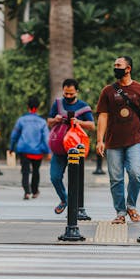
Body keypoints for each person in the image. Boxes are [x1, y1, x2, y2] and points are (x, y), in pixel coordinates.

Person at [96, 56, 140, 224]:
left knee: (136, 173)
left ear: (128, 69)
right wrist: (100, 140)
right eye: (114, 65)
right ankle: (120, 212)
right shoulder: (107, 91)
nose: (116, 68)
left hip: (135, 140)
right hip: (113, 142)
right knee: (116, 178)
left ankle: (131, 205)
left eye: (119, 65)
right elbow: (103, 116)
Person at [47, 78, 95, 214]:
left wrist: (78, 121)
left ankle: (77, 208)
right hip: (59, 148)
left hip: (75, 149)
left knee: (75, 179)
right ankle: (65, 199)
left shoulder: (83, 106)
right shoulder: (57, 104)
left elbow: (92, 125)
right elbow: (48, 122)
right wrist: (55, 119)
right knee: (55, 177)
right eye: (66, 93)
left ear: (77, 92)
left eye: (71, 94)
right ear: (63, 91)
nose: (68, 96)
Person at [9, 96, 50, 200]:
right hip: (37, 151)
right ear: (38, 107)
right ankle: (35, 191)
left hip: (24, 150)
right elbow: (46, 138)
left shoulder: (21, 120)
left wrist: (11, 147)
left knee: (25, 171)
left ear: (27, 106)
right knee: (36, 171)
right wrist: (48, 151)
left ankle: (27, 192)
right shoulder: (42, 122)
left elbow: (14, 135)